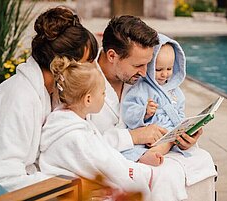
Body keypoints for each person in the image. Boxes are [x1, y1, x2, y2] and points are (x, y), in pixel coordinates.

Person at [0, 7, 98, 191]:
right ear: (63, 63)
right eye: (87, 63)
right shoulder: (16, 97)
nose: (92, 71)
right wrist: (65, 184)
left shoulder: (55, 94)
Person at [89, 15, 217, 201]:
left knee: (201, 158)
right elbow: (82, 145)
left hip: (147, 159)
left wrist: (184, 138)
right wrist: (135, 136)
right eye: (138, 65)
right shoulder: (82, 82)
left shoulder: (141, 80)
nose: (145, 72)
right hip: (106, 171)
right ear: (112, 56)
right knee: (163, 175)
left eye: (148, 64)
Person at [39, 56, 153, 200]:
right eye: (103, 93)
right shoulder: (76, 135)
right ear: (88, 99)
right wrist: (136, 181)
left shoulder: (63, 119)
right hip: (72, 191)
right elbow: (107, 164)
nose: (105, 97)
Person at [121, 33, 188, 166]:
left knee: (170, 141)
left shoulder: (176, 91)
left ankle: (153, 153)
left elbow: (180, 112)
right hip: (148, 132)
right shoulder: (141, 89)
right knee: (134, 148)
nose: (165, 74)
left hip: (170, 134)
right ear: (149, 66)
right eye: (158, 69)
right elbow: (129, 111)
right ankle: (145, 155)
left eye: (169, 69)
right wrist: (145, 113)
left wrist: (185, 128)